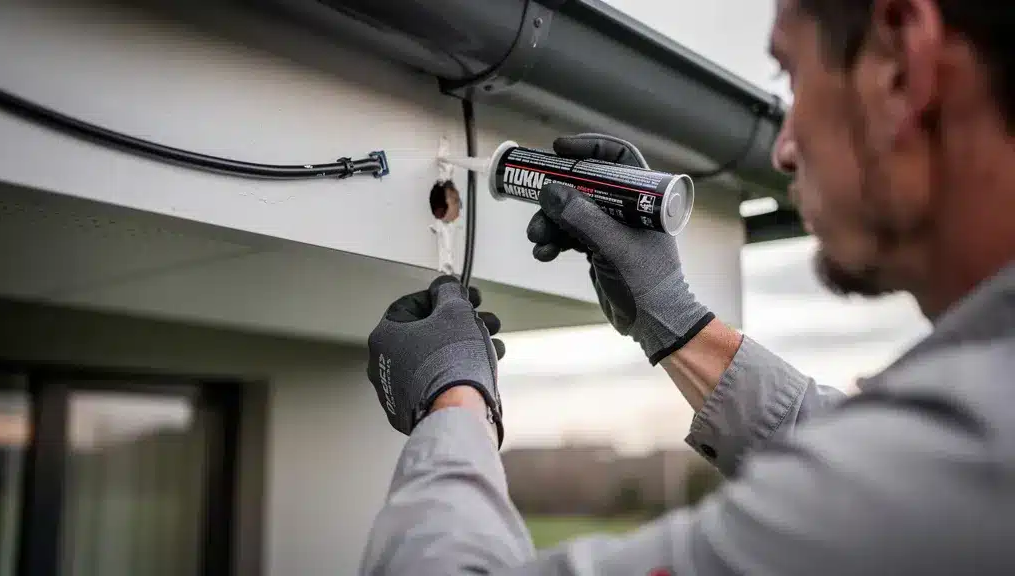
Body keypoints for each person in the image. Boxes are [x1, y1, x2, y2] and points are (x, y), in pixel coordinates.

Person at [362, 0, 1015, 573]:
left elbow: (871, 487)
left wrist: (454, 407)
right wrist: (673, 317)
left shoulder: (959, 460)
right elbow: (866, 467)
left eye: (791, 75)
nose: (784, 149)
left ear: (900, 61)